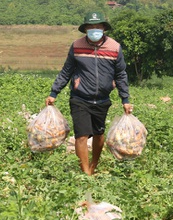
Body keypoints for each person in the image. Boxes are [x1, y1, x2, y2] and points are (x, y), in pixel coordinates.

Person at [45, 11, 132, 176]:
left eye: (98, 26)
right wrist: (54, 92)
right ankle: (85, 174)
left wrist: (125, 99)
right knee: (81, 135)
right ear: (85, 29)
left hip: (102, 100)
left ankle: (93, 165)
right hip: (80, 98)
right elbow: (66, 71)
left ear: (104, 28)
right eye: (91, 27)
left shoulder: (114, 47)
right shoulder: (77, 46)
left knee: (99, 135)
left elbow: (121, 74)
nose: (94, 30)